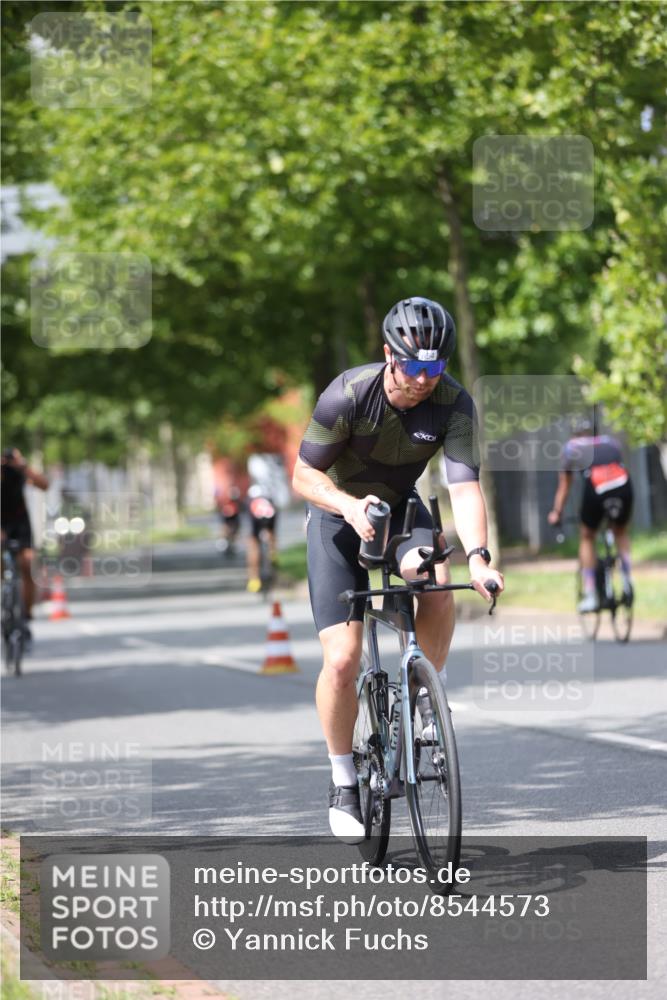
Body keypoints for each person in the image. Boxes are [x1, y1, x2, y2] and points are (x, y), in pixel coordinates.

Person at [292, 296, 504, 843]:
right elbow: (303, 476)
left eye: (435, 368)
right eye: (413, 366)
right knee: (341, 660)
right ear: (389, 355)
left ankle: (420, 695)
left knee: (436, 584)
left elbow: (463, 486)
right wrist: (347, 506)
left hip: (399, 509)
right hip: (336, 518)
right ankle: (343, 781)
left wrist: (479, 558)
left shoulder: (453, 403)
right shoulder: (347, 395)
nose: (423, 379)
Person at [548, 420, 633, 611]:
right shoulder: (610, 441)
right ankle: (628, 581)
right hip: (623, 483)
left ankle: (590, 595)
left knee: (587, 536)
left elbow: (564, 487)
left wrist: (557, 513)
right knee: (620, 531)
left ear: (575, 434)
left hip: (597, 485)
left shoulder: (571, 447)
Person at [1, 446, 49, 643]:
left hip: (20, 522)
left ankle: (26, 616)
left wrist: (24, 467)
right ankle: (6, 606)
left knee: (27, 565)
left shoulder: (21, 472)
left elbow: (44, 485)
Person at [245, 484, 278, 593]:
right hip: (270, 516)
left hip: (256, 519)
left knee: (253, 545)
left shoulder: (251, 502)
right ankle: (273, 554)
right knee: (271, 534)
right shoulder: (269, 500)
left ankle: (254, 579)